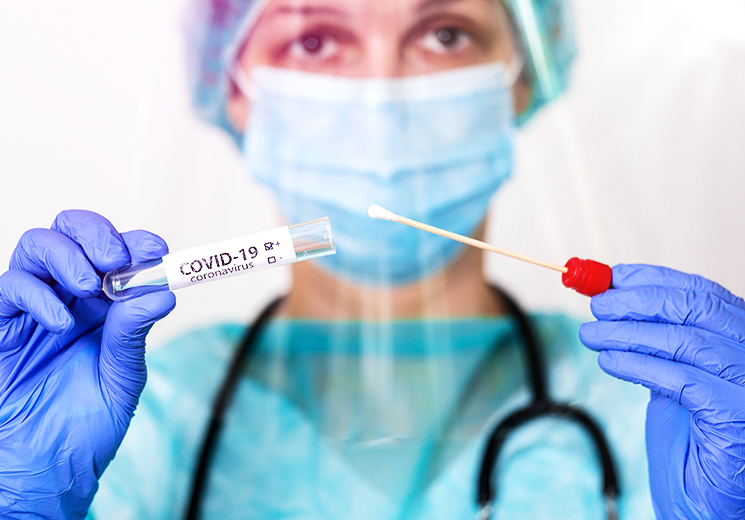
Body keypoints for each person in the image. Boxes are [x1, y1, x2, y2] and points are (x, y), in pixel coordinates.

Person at [1, 0, 745, 519]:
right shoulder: (130, 412)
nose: (383, 95)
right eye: (315, 41)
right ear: (232, 87)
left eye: (445, 34)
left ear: (525, 73)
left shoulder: (664, 405)